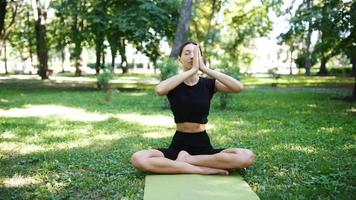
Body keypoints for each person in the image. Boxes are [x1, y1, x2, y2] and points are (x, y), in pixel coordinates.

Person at [131, 41, 255, 175]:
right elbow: (159, 90)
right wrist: (192, 71)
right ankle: (201, 169)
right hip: (179, 144)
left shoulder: (208, 84)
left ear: (200, 58)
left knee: (246, 156)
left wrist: (205, 69)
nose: (191, 56)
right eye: (187, 53)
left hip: (202, 143)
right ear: (180, 59)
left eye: (196, 53)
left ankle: (188, 160)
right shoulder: (174, 83)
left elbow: (238, 87)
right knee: (138, 159)